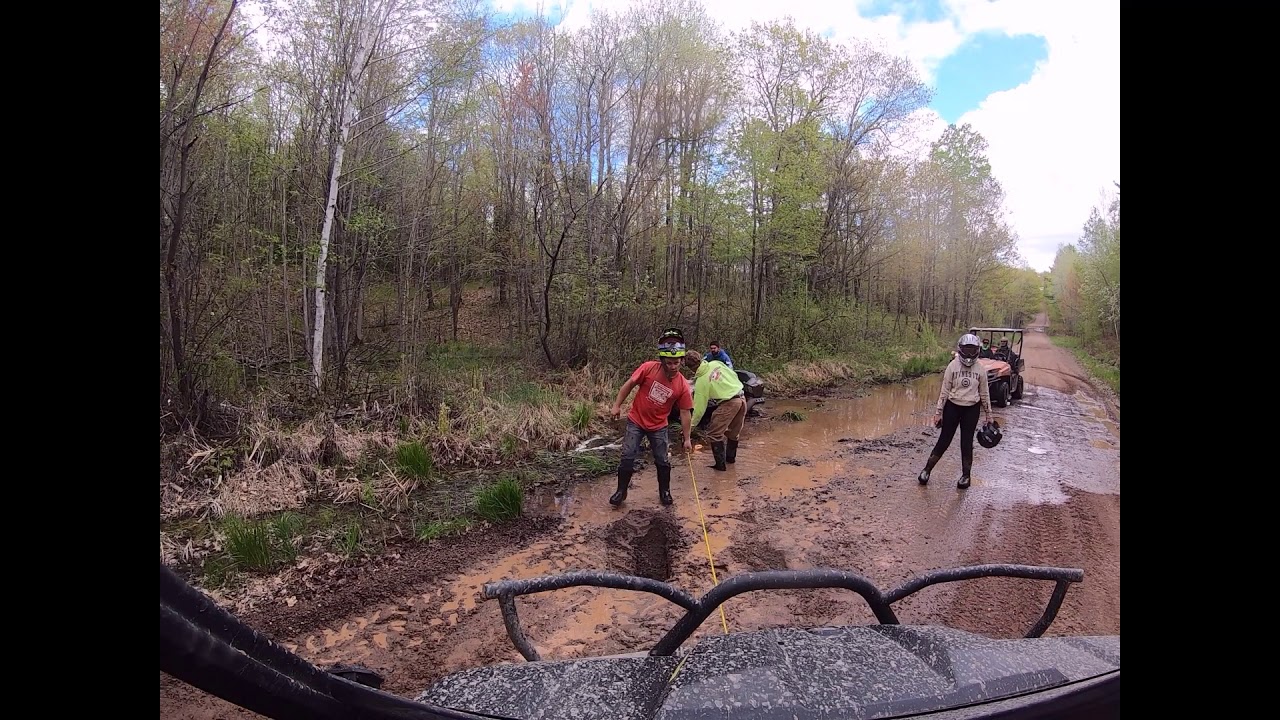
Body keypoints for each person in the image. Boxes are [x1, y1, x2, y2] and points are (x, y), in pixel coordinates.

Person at [609, 332, 694, 506]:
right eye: (669, 363)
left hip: (659, 426)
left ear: (682, 361)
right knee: (627, 455)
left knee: (662, 459)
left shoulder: (683, 385)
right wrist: (617, 405)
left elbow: (686, 413)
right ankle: (621, 491)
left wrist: (687, 439)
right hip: (636, 420)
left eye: (676, 363)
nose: (672, 367)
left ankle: (665, 492)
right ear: (662, 361)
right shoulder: (648, 368)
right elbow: (629, 384)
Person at [917, 333, 993, 490]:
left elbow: (985, 394)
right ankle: (926, 470)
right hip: (953, 406)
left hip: (971, 409)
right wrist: (938, 412)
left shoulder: (980, 370)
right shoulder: (952, 366)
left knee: (966, 443)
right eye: (967, 350)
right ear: (961, 349)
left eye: (973, 350)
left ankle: (966, 476)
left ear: (978, 350)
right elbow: (944, 391)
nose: (970, 354)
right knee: (944, 440)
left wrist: (989, 414)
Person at [683, 350, 746, 471]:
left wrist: (689, 427)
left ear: (690, 368)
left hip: (729, 402)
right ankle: (731, 461)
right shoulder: (716, 363)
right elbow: (732, 373)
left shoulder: (702, 382)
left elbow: (699, 410)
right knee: (733, 433)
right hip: (741, 397)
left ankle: (720, 467)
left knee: (714, 434)